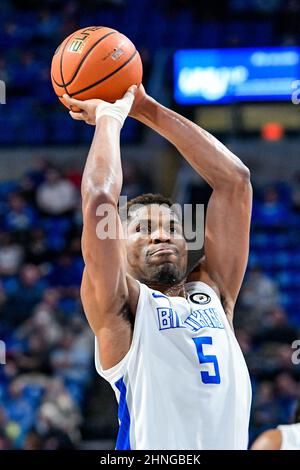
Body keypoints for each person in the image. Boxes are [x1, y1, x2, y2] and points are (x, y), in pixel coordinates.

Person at [63, 84, 252, 450]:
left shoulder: (213, 293)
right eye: (143, 229)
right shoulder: (123, 307)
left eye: (172, 228)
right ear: (116, 248)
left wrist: (147, 109)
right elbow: (100, 198)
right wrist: (109, 119)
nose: (160, 236)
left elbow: (235, 182)